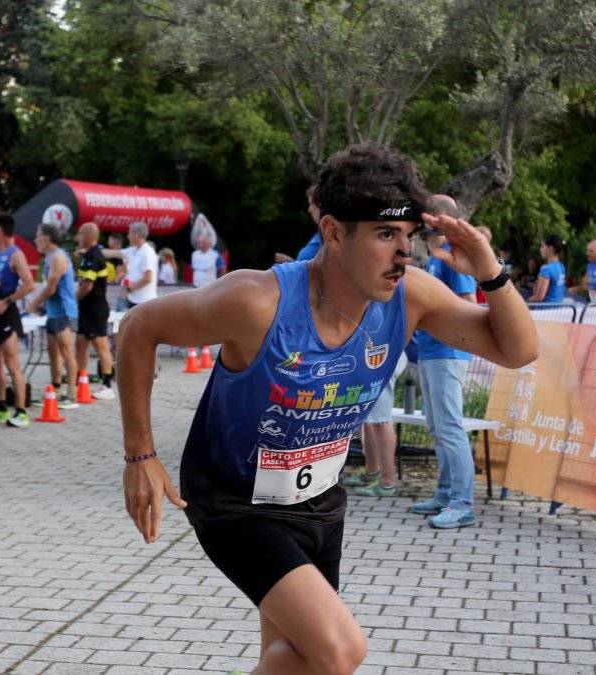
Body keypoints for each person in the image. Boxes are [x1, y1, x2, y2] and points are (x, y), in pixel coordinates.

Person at [117, 143, 537, 675]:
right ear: (334, 233)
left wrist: (489, 270)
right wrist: (140, 455)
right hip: (235, 500)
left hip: (318, 499)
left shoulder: (412, 296)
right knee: (338, 651)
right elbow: (139, 326)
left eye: (410, 236)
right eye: (386, 235)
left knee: (294, 658)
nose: (404, 253)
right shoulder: (257, 301)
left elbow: (518, 350)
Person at [410, 196, 480, 529]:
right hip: (431, 351)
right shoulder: (435, 258)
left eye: (429, 213)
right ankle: (445, 494)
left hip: (447, 353)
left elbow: (469, 304)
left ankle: (462, 503)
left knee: (450, 427)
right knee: (438, 428)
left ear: (440, 218)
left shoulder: (454, 256)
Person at [0, 213, 36, 427]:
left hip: (6, 313)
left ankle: (21, 411)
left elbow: (29, 285)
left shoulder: (16, 255)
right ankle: (1, 407)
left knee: (11, 363)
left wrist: (7, 301)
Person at [28, 223, 80, 408]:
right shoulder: (49, 257)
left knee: (66, 352)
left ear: (47, 238)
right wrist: (41, 306)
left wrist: (33, 304)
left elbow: (51, 288)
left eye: (38, 236)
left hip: (65, 311)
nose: (35, 240)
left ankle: (71, 394)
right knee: (53, 353)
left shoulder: (58, 257)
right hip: (53, 311)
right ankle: (55, 391)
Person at [343, 353, 407, 496]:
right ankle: (371, 472)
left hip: (383, 354)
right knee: (367, 417)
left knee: (380, 420)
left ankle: (387, 483)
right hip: (370, 354)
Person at [74, 222, 116, 400]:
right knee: (81, 343)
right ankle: (80, 380)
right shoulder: (88, 255)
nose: (77, 237)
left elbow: (87, 286)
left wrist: (73, 300)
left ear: (88, 237)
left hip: (95, 309)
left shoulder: (94, 256)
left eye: (80, 234)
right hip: (86, 309)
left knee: (101, 346)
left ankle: (107, 385)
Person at [103, 222, 159, 310]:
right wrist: (92, 250)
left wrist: (128, 289)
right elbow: (113, 253)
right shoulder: (133, 250)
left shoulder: (147, 252)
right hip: (134, 299)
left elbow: (147, 278)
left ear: (136, 235)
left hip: (144, 301)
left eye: (129, 233)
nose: (128, 236)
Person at [274, 186, 321, 264]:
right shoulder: (321, 236)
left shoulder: (329, 240)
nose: (309, 210)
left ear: (321, 205)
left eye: (311, 204)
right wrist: (293, 263)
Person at [530, 235, 567, 304]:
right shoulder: (561, 266)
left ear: (551, 248)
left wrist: (528, 300)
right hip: (558, 308)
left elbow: (539, 298)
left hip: (546, 309)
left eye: (542, 246)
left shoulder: (546, 270)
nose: (540, 249)